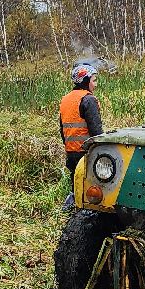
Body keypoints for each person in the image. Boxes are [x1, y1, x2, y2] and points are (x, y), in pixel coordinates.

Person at [59, 60, 104, 208]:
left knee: (76, 184)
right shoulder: (88, 99)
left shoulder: (65, 99)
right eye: (94, 80)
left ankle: (72, 205)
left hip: (70, 152)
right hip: (85, 152)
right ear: (86, 81)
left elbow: (62, 129)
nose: (95, 84)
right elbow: (96, 131)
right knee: (91, 188)